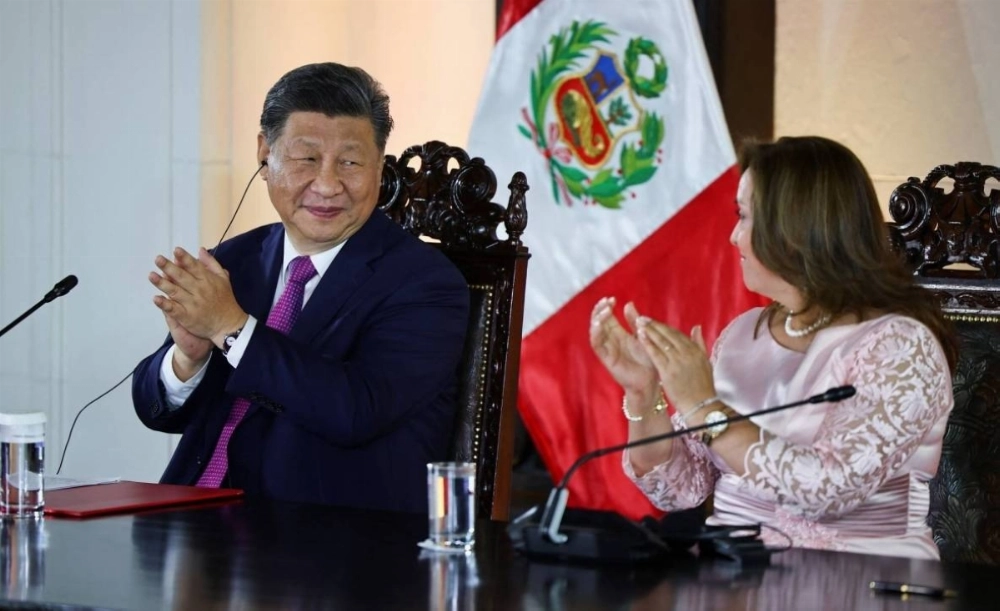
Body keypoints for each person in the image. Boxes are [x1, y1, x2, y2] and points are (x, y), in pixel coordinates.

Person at [589, 136, 956, 559]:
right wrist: (645, 393)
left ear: (796, 229)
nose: (733, 237)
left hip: (858, 576)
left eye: (744, 217)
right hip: (732, 572)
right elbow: (679, 489)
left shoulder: (902, 347)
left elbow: (827, 490)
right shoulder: (743, 334)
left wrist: (703, 406)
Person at [132, 62, 470, 514]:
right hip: (190, 521)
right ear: (264, 155)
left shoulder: (425, 284)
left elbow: (355, 410)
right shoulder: (235, 260)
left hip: (326, 536)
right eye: (306, 159)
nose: (327, 186)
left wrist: (233, 330)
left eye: (350, 162)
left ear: (378, 166)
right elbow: (154, 409)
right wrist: (187, 358)